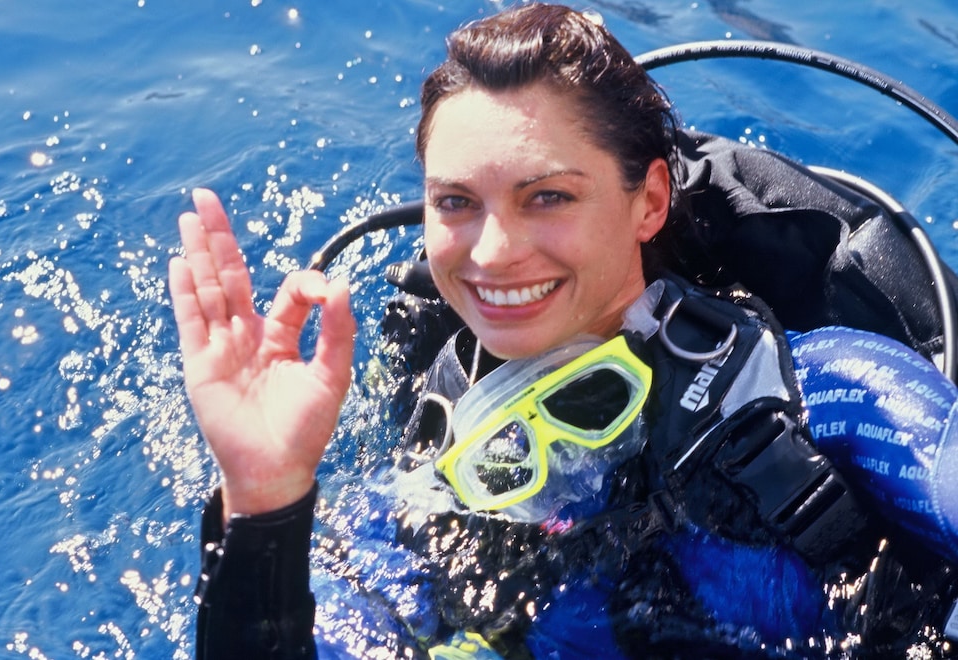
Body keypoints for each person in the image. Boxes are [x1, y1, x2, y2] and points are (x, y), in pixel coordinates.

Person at [168, 3, 958, 658]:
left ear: (649, 202)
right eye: (455, 202)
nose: (493, 251)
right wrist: (265, 500)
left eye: (547, 196)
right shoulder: (427, 494)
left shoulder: (830, 399)